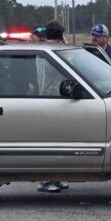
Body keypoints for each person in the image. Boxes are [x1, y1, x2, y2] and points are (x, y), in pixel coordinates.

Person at [36, 20, 70, 193]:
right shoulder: (54, 52)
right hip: (53, 100)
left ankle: (55, 178)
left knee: (54, 143)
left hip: (46, 100)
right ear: (60, 35)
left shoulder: (41, 51)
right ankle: (46, 180)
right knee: (52, 144)